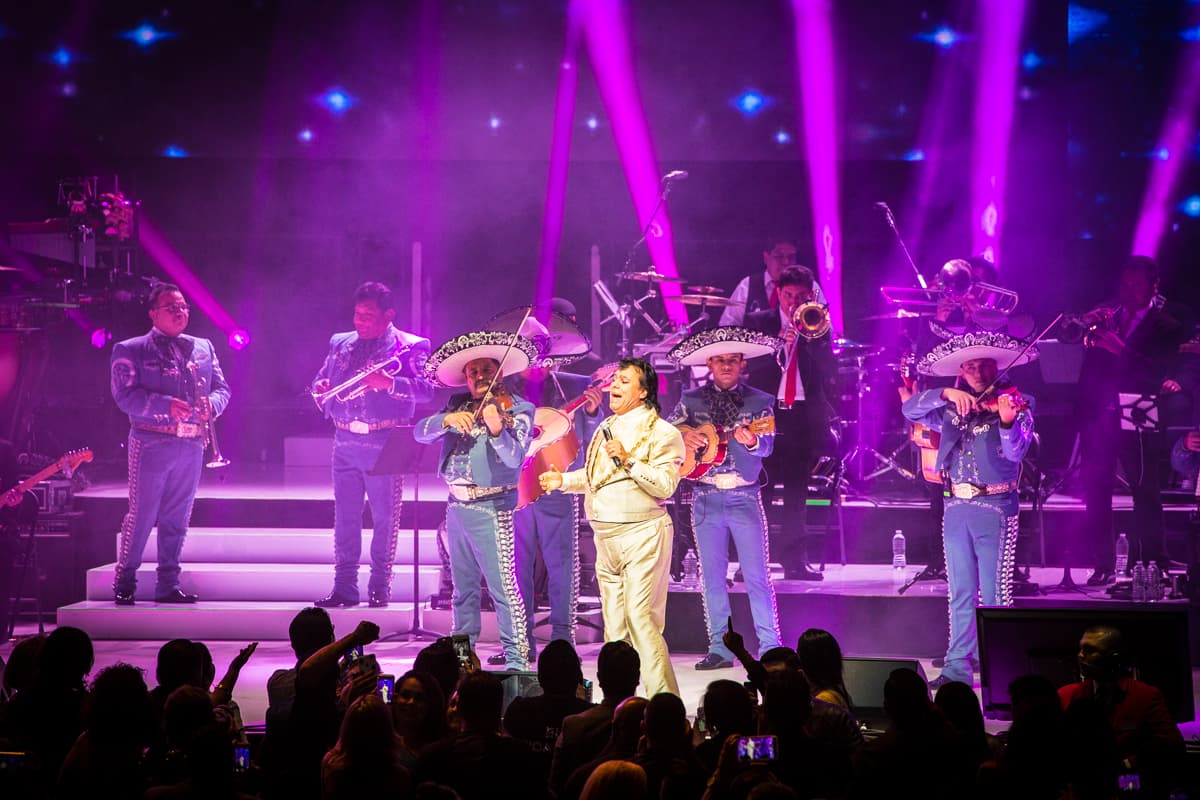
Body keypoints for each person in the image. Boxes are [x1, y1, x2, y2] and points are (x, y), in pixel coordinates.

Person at [539, 358, 685, 697]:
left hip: (643, 535)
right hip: (607, 539)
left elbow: (665, 486)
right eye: (614, 381)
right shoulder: (607, 427)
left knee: (641, 619)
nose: (614, 386)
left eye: (623, 381)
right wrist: (562, 480)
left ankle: (666, 702)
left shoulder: (664, 433)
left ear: (644, 391)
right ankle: (619, 702)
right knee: (615, 628)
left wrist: (629, 460)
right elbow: (597, 480)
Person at [902, 332, 1036, 688]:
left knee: (996, 594)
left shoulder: (1018, 401)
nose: (978, 372)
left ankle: (1001, 668)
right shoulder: (950, 409)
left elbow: (1016, 453)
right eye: (971, 366)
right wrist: (945, 392)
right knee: (960, 590)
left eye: (984, 365)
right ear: (961, 371)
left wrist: (1006, 422)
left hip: (995, 507)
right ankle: (957, 665)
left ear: (996, 367)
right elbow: (909, 408)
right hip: (955, 506)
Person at [415, 330, 539, 670]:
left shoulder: (521, 408)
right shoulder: (457, 406)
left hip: (491, 507)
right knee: (461, 591)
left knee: (503, 589)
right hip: (456, 507)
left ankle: (517, 662)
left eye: (487, 370)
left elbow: (515, 459)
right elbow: (419, 432)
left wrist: (497, 429)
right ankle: (460, 660)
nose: (481, 377)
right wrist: (445, 420)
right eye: (474, 373)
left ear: (499, 372)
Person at [311, 281, 435, 608]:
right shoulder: (340, 343)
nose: (360, 321)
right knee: (345, 517)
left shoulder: (410, 346)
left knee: (384, 519)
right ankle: (344, 587)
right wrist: (320, 386)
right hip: (344, 439)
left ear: (388, 315)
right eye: (357, 314)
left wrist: (390, 383)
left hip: (385, 440)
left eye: (368, 315)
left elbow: (427, 389)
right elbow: (321, 379)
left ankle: (379, 587)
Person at [667, 326, 783, 669]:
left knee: (757, 575)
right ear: (710, 364)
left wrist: (750, 440)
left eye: (733, 360)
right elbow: (668, 437)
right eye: (721, 360)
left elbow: (768, 443)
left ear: (742, 364)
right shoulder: (690, 401)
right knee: (712, 577)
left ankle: (771, 645)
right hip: (705, 497)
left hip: (744, 496)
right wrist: (684, 440)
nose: (727, 365)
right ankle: (720, 646)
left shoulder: (761, 401)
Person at [110, 283, 231, 605]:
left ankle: (168, 584)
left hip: (191, 444)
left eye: (183, 307)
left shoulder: (203, 346)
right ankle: (125, 579)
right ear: (153, 313)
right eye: (171, 308)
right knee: (142, 514)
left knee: (178, 517)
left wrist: (213, 406)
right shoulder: (131, 348)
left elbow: (222, 388)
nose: (180, 312)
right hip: (151, 441)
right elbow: (124, 396)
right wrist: (164, 405)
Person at [1076, 257, 1190, 584]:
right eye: (1126, 284)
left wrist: (1119, 348)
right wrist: (1087, 328)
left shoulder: (1167, 323)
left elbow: (1157, 372)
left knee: (1145, 489)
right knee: (1096, 490)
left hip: (1138, 411)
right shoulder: (1108, 317)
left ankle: (1154, 561)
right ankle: (1103, 564)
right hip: (1099, 414)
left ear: (1155, 286)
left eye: (1138, 285)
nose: (1130, 291)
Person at [508, 360, 604, 663]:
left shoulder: (574, 384)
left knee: (561, 563)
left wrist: (590, 411)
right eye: (531, 352)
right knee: (515, 566)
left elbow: (591, 434)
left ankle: (563, 639)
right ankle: (521, 641)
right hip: (516, 487)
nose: (538, 361)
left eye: (543, 353)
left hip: (557, 483)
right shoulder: (504, 387)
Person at [744, 266, 836, 580]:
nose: (793, 302)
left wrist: (809, 340)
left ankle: (796, 562)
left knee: (797, 492)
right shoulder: (759, 323)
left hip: (801, 416)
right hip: (765, 414)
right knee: (761, 490)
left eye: (800, 296)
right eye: (787, 295)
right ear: (778, 294)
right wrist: (777, 346)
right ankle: (755, 563)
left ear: (810, 296)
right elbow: (749, 369)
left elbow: (828, 372)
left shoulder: (819, 324)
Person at [1057, 625, 1185, 793]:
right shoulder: (1066, 695)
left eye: (1090, 650)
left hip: (1128, 785)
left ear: (1113, 658)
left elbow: (1171, 745)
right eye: (1081, 648)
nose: (1081, 655)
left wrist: (1126, 764)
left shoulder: (1146, 696)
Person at [719, 235, 827, 327]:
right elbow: (728, 325)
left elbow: (825, 328)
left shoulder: (810, 285)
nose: (786, 262)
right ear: (766, 257)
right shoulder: (747, 285)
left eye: (791, 257)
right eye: (779, 256)